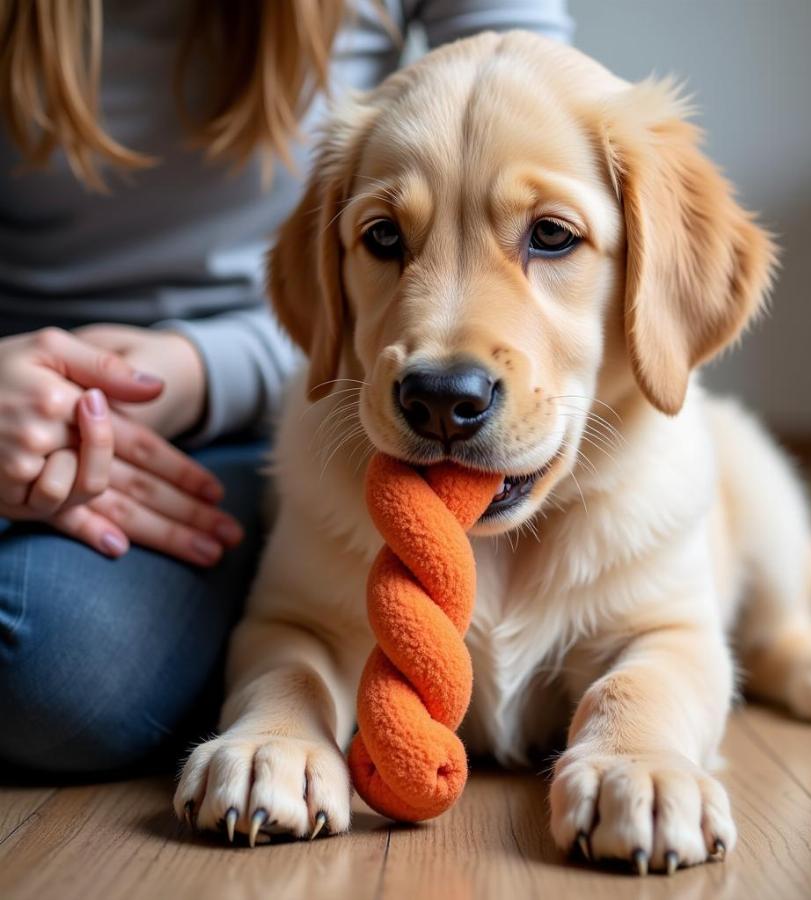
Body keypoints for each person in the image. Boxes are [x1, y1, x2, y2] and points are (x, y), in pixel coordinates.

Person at [0, 1, 572, 775]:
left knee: (53, 659)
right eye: (384, 237)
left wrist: (203, 370)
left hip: (271, 401)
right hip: (15, 409)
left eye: (545, 242)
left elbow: (533, 142)